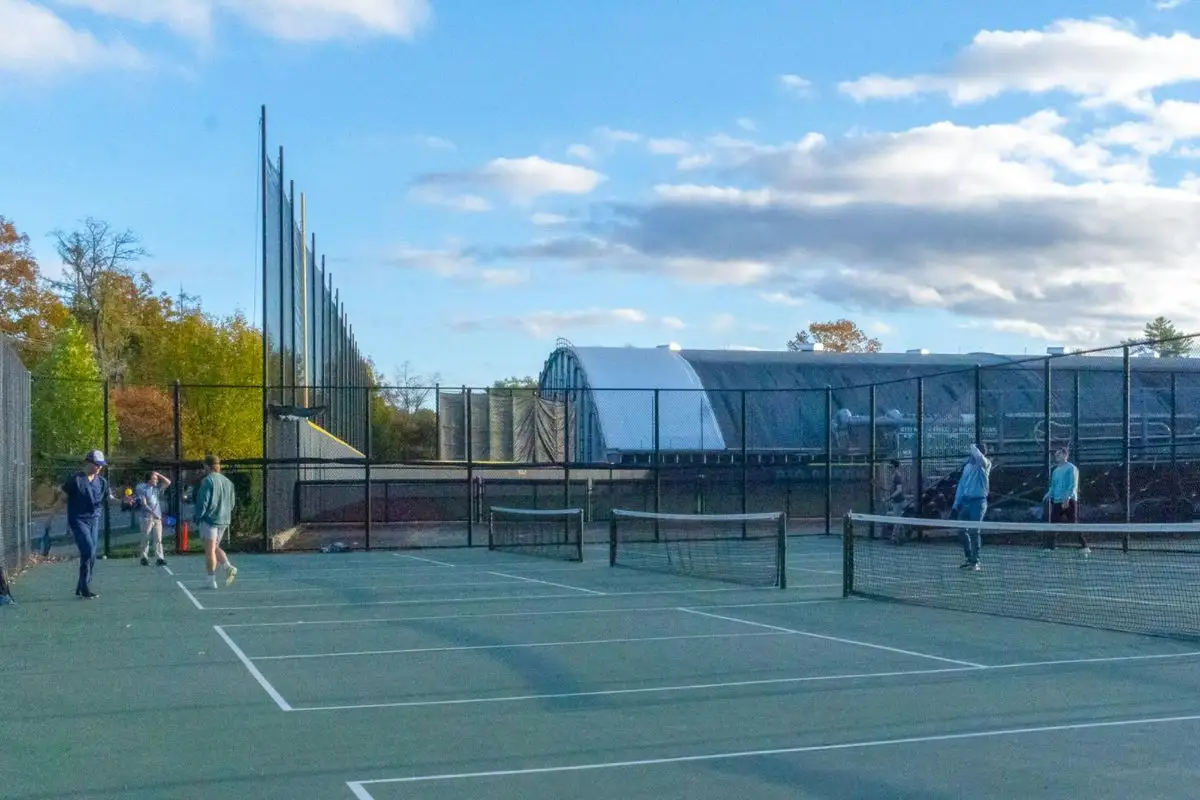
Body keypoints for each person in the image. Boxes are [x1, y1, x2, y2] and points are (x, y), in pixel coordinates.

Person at [44, 450, 113, 599]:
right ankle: (84, 587)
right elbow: (62, 500)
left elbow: (110, 498)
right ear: (88, 462)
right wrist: (50, 517)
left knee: (91, 554)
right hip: (78, 520)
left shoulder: (102, 482)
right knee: (88, 548)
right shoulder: (74, 480)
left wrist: (125, 501)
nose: (99, 468)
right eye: (97, 464)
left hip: (93, 520)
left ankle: (83, 586)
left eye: (101, 465)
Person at [194, 454, 237, 589]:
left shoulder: (207, 481)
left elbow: (203, 502)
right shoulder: (228, 482)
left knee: (209, 551)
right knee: (214, 548)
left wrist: (198, 517)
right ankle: (227, 567)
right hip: (223, 520)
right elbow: (232, 503)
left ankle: (211, 580)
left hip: (210, 520)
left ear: (207, 466)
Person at [951, 443, 992, 571]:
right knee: (961, 531)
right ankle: (969, 558)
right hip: (965, 502)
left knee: (975, 531)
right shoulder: (967, 467)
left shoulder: (985, 464)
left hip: (979, 503)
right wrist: (956, 504)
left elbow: (979, 457)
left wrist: (972, 446)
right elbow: (961, 486)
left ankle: (976, 561)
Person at [1042, 447, 1088, 555]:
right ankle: (1050, 546)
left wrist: (1067, 498)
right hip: (1057, 501)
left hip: (1069, 501)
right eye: (1056, 454)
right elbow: (1053, 486)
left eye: (1059, 454)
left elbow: (1073, 485)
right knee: (1053, 523)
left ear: (1065, 455)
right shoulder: (1055, 471)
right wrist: (1048, 495)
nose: (1056, 456)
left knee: (1073, 524)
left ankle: (1084, 546)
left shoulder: (1072, 468)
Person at [133, 471, 171, 567]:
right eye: (154, 478)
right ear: (149, 480)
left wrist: (158, 474)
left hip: (157, 518)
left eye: (156, 479)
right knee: (146, 537)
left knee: (158, 539)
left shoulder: (157, 489)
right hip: (147, 518)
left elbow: (168, 482)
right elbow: (144, 504)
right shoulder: (143, 489)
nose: (157, 480)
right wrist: (153, 513)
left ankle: (160, 558)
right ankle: (144, 558)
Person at [885, 459, 907, 543]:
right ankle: (904, 536)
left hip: (899, 502)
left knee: (896, 520)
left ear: (895, 466)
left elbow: (899, 490)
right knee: (898, 519)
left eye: (891, 465)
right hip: (896, 501)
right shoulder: (893, 475)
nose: (889, 467)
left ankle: (894, 537)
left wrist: (890, 497)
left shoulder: (897, 476)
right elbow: (892, 488)